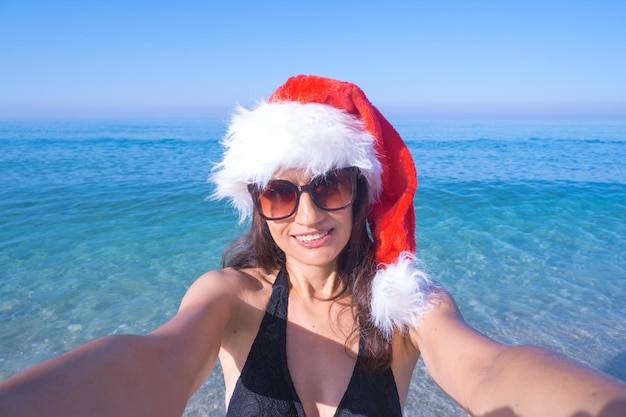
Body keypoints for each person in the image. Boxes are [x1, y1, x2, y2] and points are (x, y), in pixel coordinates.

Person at [1, 75, 625, 417]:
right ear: (257, 201)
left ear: (361, 192)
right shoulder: (231, 300)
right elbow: (153, 363)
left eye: (327, 186)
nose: (306, 215)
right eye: (279, 192)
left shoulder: (406, 311)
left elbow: (488, 369)